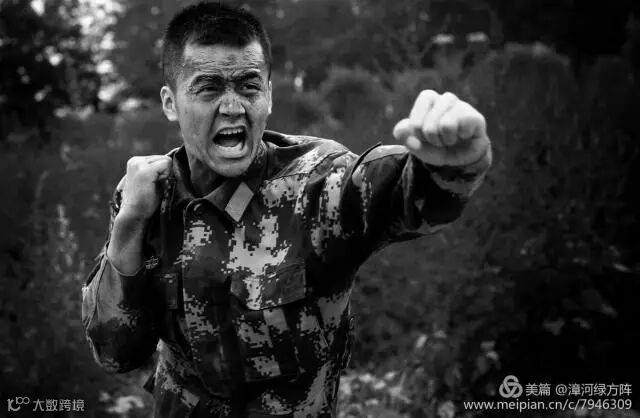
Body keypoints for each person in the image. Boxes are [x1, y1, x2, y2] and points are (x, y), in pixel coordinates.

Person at [81, 2, 492, 417]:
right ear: (171, 103)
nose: (232, 107)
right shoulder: (145, 194)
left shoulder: (317, 183)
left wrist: (449, 166)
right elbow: (115, 352)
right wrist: (130, 221)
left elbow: (400, 189)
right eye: (208, 88)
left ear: (269, 95)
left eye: (248, 86)